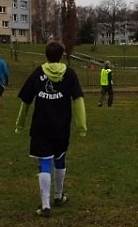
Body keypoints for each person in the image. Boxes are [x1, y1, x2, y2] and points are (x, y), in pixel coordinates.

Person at [15, 41, 87, 218]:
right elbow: (78, 100)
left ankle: (46, 205)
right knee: (60, 158)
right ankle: (58, 196)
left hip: (41, 126)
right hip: (61, 126)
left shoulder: (38, 73)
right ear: (62, 55)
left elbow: (26, 101)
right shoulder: (69, 74)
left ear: (46, 55)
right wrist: (81, 126)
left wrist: (20, 123)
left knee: (44, 163)